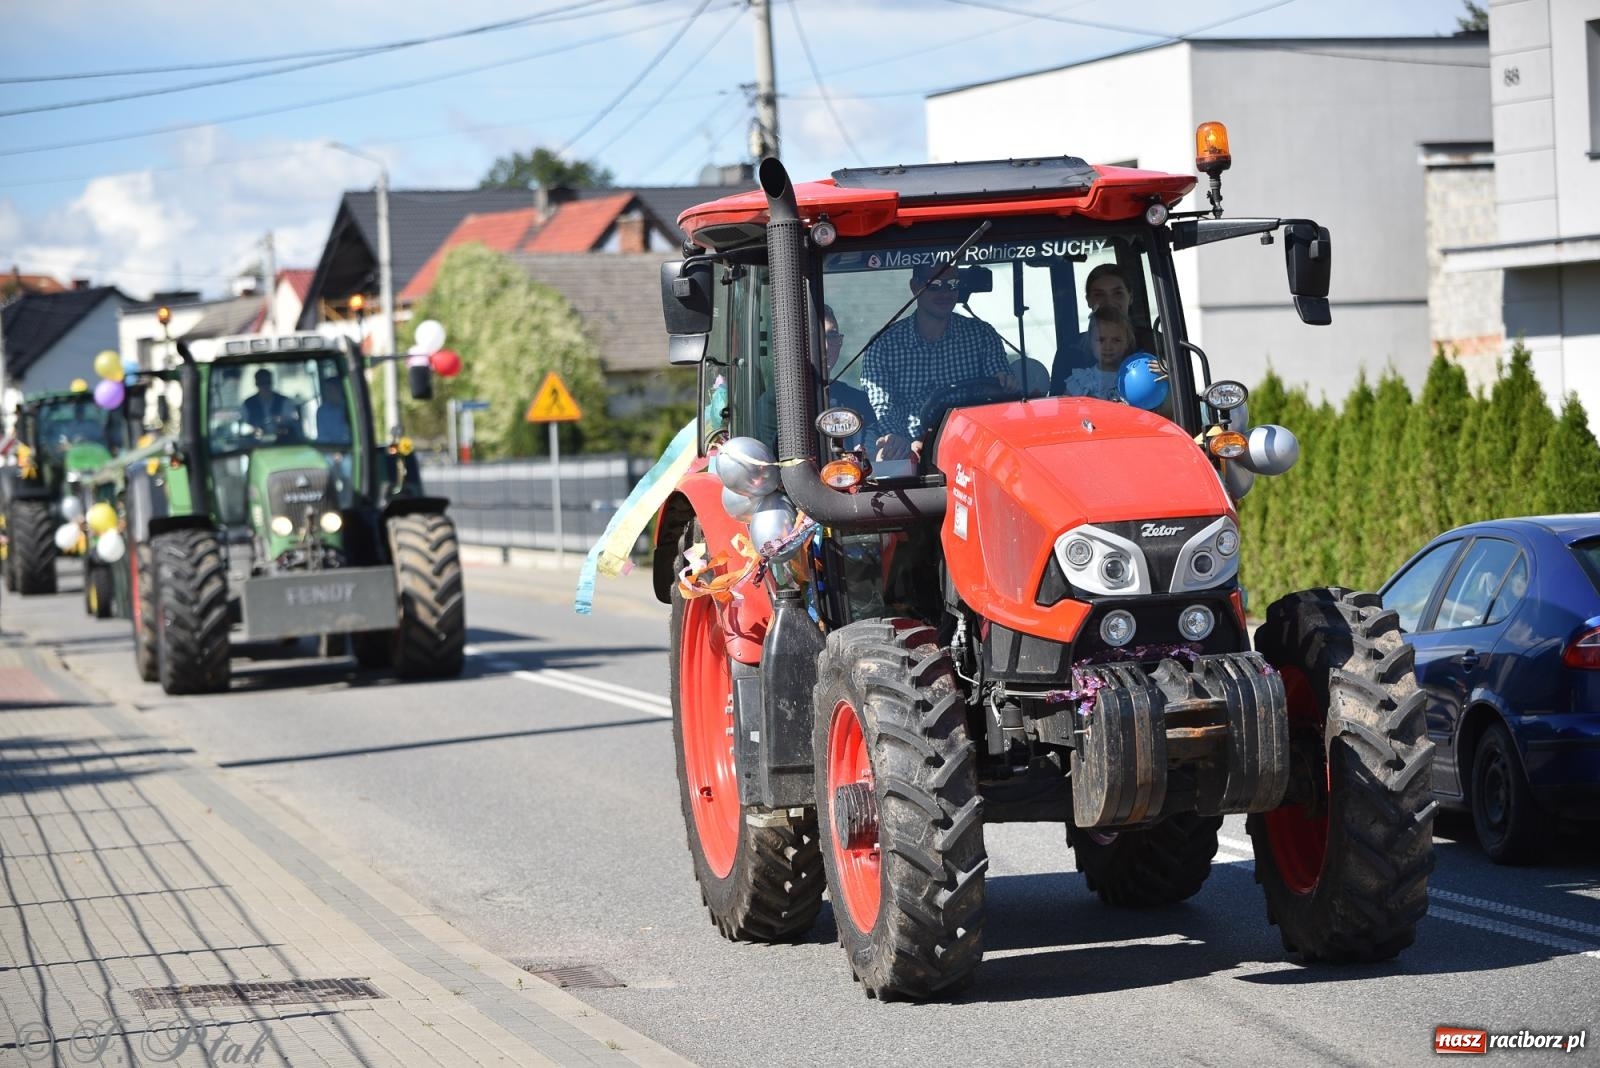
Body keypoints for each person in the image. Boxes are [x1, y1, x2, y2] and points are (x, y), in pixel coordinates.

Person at [860, 260, 1011, 460]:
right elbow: (882, 406)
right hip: (909, 452)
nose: (946, 293)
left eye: (953, 284)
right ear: (915, 287)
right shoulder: (883, 344)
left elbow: (997, 384)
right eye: (935, 284)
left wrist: (1005, 383)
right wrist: (900, 440)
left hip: (972, 447)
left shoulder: (982, 334)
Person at [1049, 263, 1158, 394]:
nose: (1109, 301)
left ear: (1131, 297)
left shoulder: (1156, 344)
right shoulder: (1069, 351)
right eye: (1099, 294)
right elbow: (1060, 407)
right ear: (1088, 300)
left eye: (1117, 293)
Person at [1059, 305, 1137, 401]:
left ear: (1127, 343)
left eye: (1116, 340)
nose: (1108, 347)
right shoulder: (1081, 381)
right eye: (1101, 340)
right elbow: (1066, 410)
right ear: (1091, 343)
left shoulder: (1135, 378)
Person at [241, 368, 299, 437]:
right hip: (256, 442)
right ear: (256, 383)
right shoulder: (247, 404)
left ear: (271, 382)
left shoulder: (285, 401)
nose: (265, 386)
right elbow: (244, 426)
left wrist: (281, 420)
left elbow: (292, 421)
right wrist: (253, 429)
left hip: (283, 441)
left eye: (267, 382)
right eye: (261, 383)